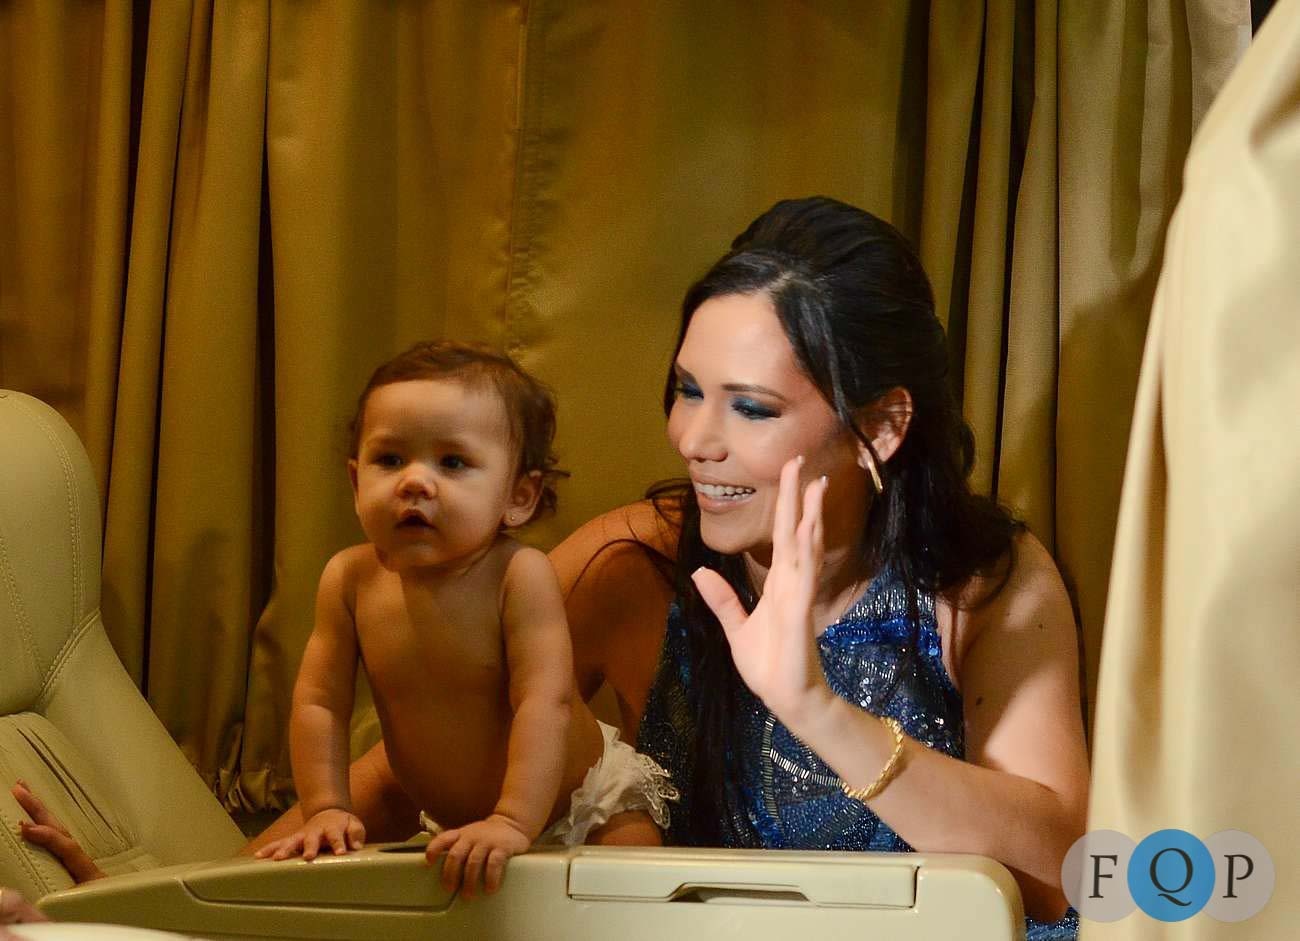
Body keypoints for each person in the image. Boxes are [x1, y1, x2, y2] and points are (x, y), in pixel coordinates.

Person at [622, 197, 1088, 940]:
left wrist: (817, 710)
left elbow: (1061, 875)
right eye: (688, 390)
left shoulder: (980, 580)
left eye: (751, 408)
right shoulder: (639, 558)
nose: (693, 440)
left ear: (879, 425)